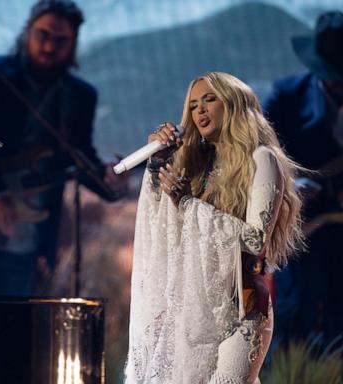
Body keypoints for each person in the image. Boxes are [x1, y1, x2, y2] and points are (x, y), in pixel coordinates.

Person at [125, 72, 304, 383]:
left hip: (242, 308)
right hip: (195, 314)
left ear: (234, 104)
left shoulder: (262, 159)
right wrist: (158, 165)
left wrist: (189, 204)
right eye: (193, 105)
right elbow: (168, 235)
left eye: (210, 99)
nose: (200, 111)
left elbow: (255, 239)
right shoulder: (198, 167)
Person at [0, 0, 121, 296]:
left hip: (29, 232)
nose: (49, 46)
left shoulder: (80, 95)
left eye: (61, 40)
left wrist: (110, 178)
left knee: (12, 322)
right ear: (27, 32)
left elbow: (80, 157)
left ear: (73, 42)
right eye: (43, 35)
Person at [263, 10, 343, 350]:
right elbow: (260, 155)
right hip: (300, 235)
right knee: (293, 324)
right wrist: (290, 187)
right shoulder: (287, 96)